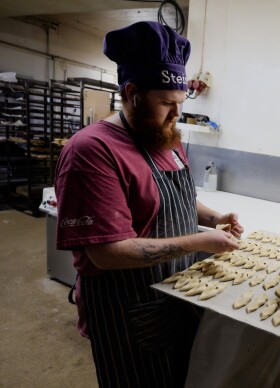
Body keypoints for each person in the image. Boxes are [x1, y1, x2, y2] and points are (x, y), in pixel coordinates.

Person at [55, 21, 243, 388]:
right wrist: (202, 242)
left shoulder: (163, 136)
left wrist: (214, 217)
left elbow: (180, 197)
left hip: (177, 295)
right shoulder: (93, 151)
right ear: (132, 92)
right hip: (127, 307)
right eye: (166, 104)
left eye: (180, 104)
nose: (176, 116)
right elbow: (108, 253)